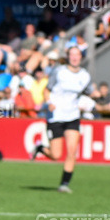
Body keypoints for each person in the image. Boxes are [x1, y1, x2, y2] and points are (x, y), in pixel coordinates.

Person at [32, 47, 91, 193]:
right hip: (56, 116)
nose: (74, 57)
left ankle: (64, 184)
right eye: (72, 54)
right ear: (68, 56)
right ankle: (40, 148)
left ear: (81, 57)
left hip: (72, 116)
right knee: (56, 155)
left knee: (72, 151)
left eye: (77, 55)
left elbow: (89, 92)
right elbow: (47, 90)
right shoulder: (59, 71)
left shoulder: (85, 76)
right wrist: (49, 102)